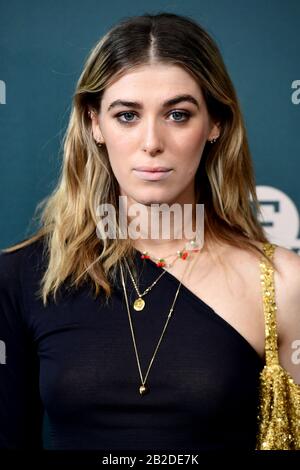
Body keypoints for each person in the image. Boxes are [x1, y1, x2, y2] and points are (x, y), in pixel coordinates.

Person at [0, 12, 299, 451]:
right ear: (94, 123)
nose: (151, 141)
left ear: (215, 124)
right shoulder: (21, 277)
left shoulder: (281, 282)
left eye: (178, 115)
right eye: (126, 116)